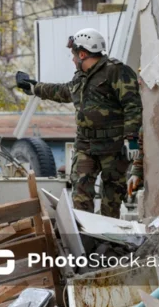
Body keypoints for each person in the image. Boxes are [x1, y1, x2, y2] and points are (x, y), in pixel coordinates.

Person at [17, 28, 143, 218]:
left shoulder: (116, 71)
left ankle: (108, 244)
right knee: (81, 198)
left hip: (113, 148)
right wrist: (34, 87)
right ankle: (84, 240)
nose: (73, 60)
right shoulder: (80, 77)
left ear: (82, 54)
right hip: (86, 146)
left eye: (74, 55)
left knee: (112, 201)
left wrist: (131, 139)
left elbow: (132, 105)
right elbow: (64, 91)